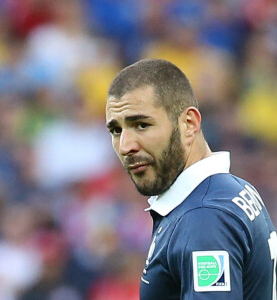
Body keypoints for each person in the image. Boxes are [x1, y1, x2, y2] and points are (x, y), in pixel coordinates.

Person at [105, 59, 277, 300]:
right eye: (116, 130)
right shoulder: (229, 189)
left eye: (142, 125)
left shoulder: (203, 217)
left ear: (189, 124)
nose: (125, 146)